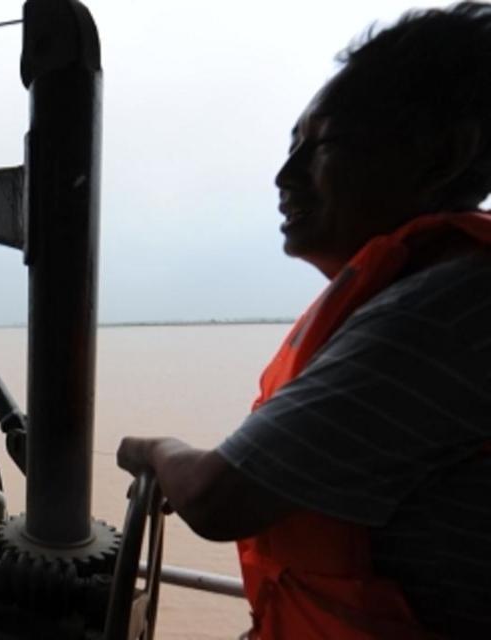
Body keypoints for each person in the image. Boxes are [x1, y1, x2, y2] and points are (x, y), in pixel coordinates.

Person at [117, 3, 491, 638]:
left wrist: (157, 450)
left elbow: (215, 497)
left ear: (440, 156)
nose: (283, 177)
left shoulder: (456, 309)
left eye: (319, 146)